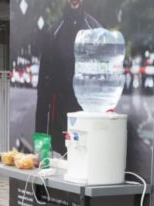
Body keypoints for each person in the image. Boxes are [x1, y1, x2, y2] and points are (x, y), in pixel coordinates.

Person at [35, 0, 103, 153]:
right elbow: (43, 92)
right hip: (60, 121)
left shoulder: (96, 31)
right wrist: (40, 149)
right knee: (60, 164)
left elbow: (103, 84)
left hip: (87, 121)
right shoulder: (53, 33)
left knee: (85, 163)